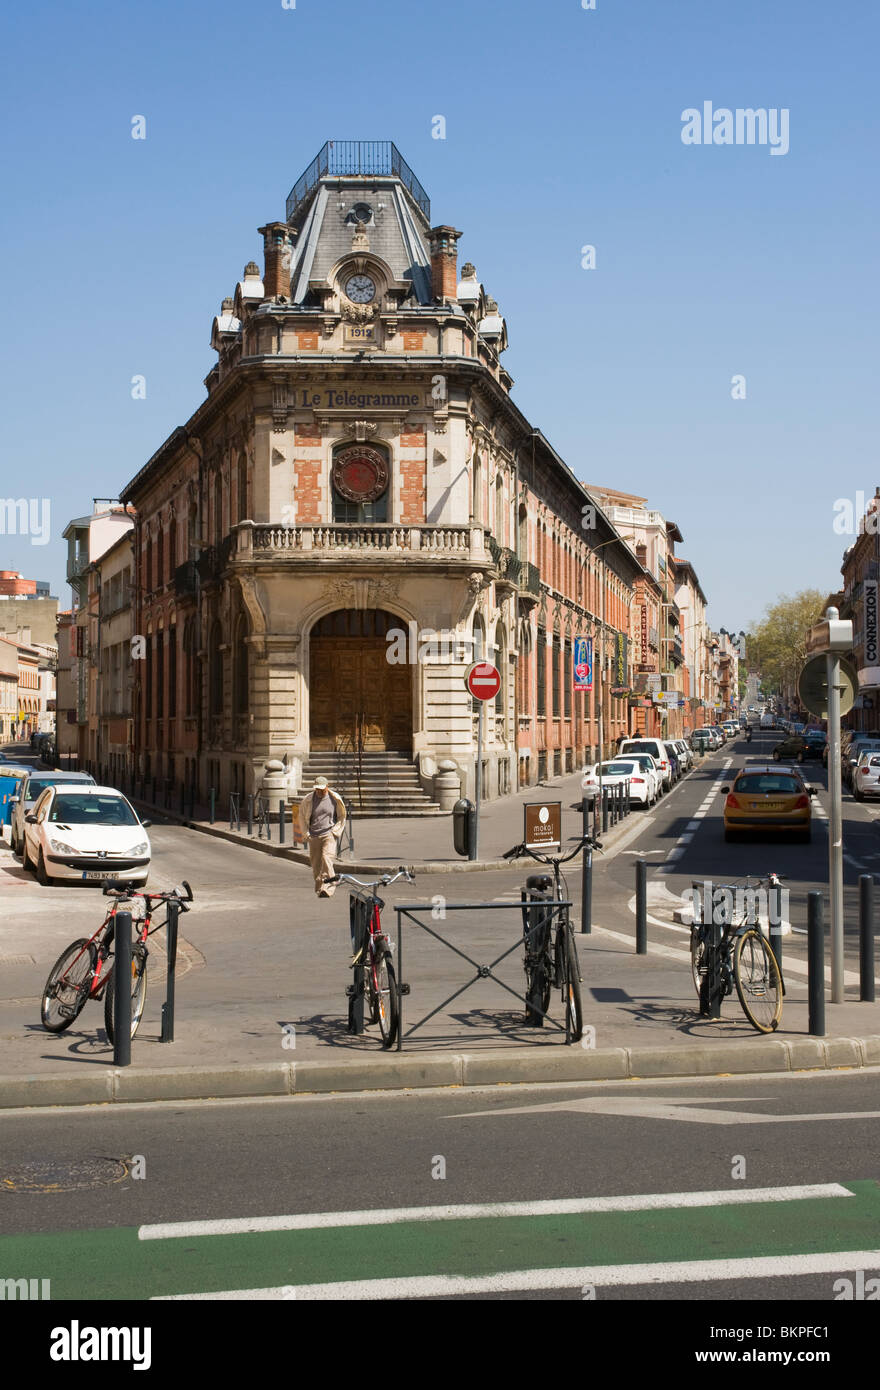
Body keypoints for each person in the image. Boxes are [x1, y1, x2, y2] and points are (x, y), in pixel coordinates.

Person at [297, 776, 347, 898]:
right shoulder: (308, 799)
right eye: (317, 789)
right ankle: (320, 888)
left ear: (327, 786)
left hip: (328, 834)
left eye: (321, 789)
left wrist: (335, 831)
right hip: (314, 835)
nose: (319, 791)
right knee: (316, 865)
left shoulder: (334, 798)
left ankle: (329, 887)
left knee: (327, 858)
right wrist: (306, 834)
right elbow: (302, 817)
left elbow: (342, 816)